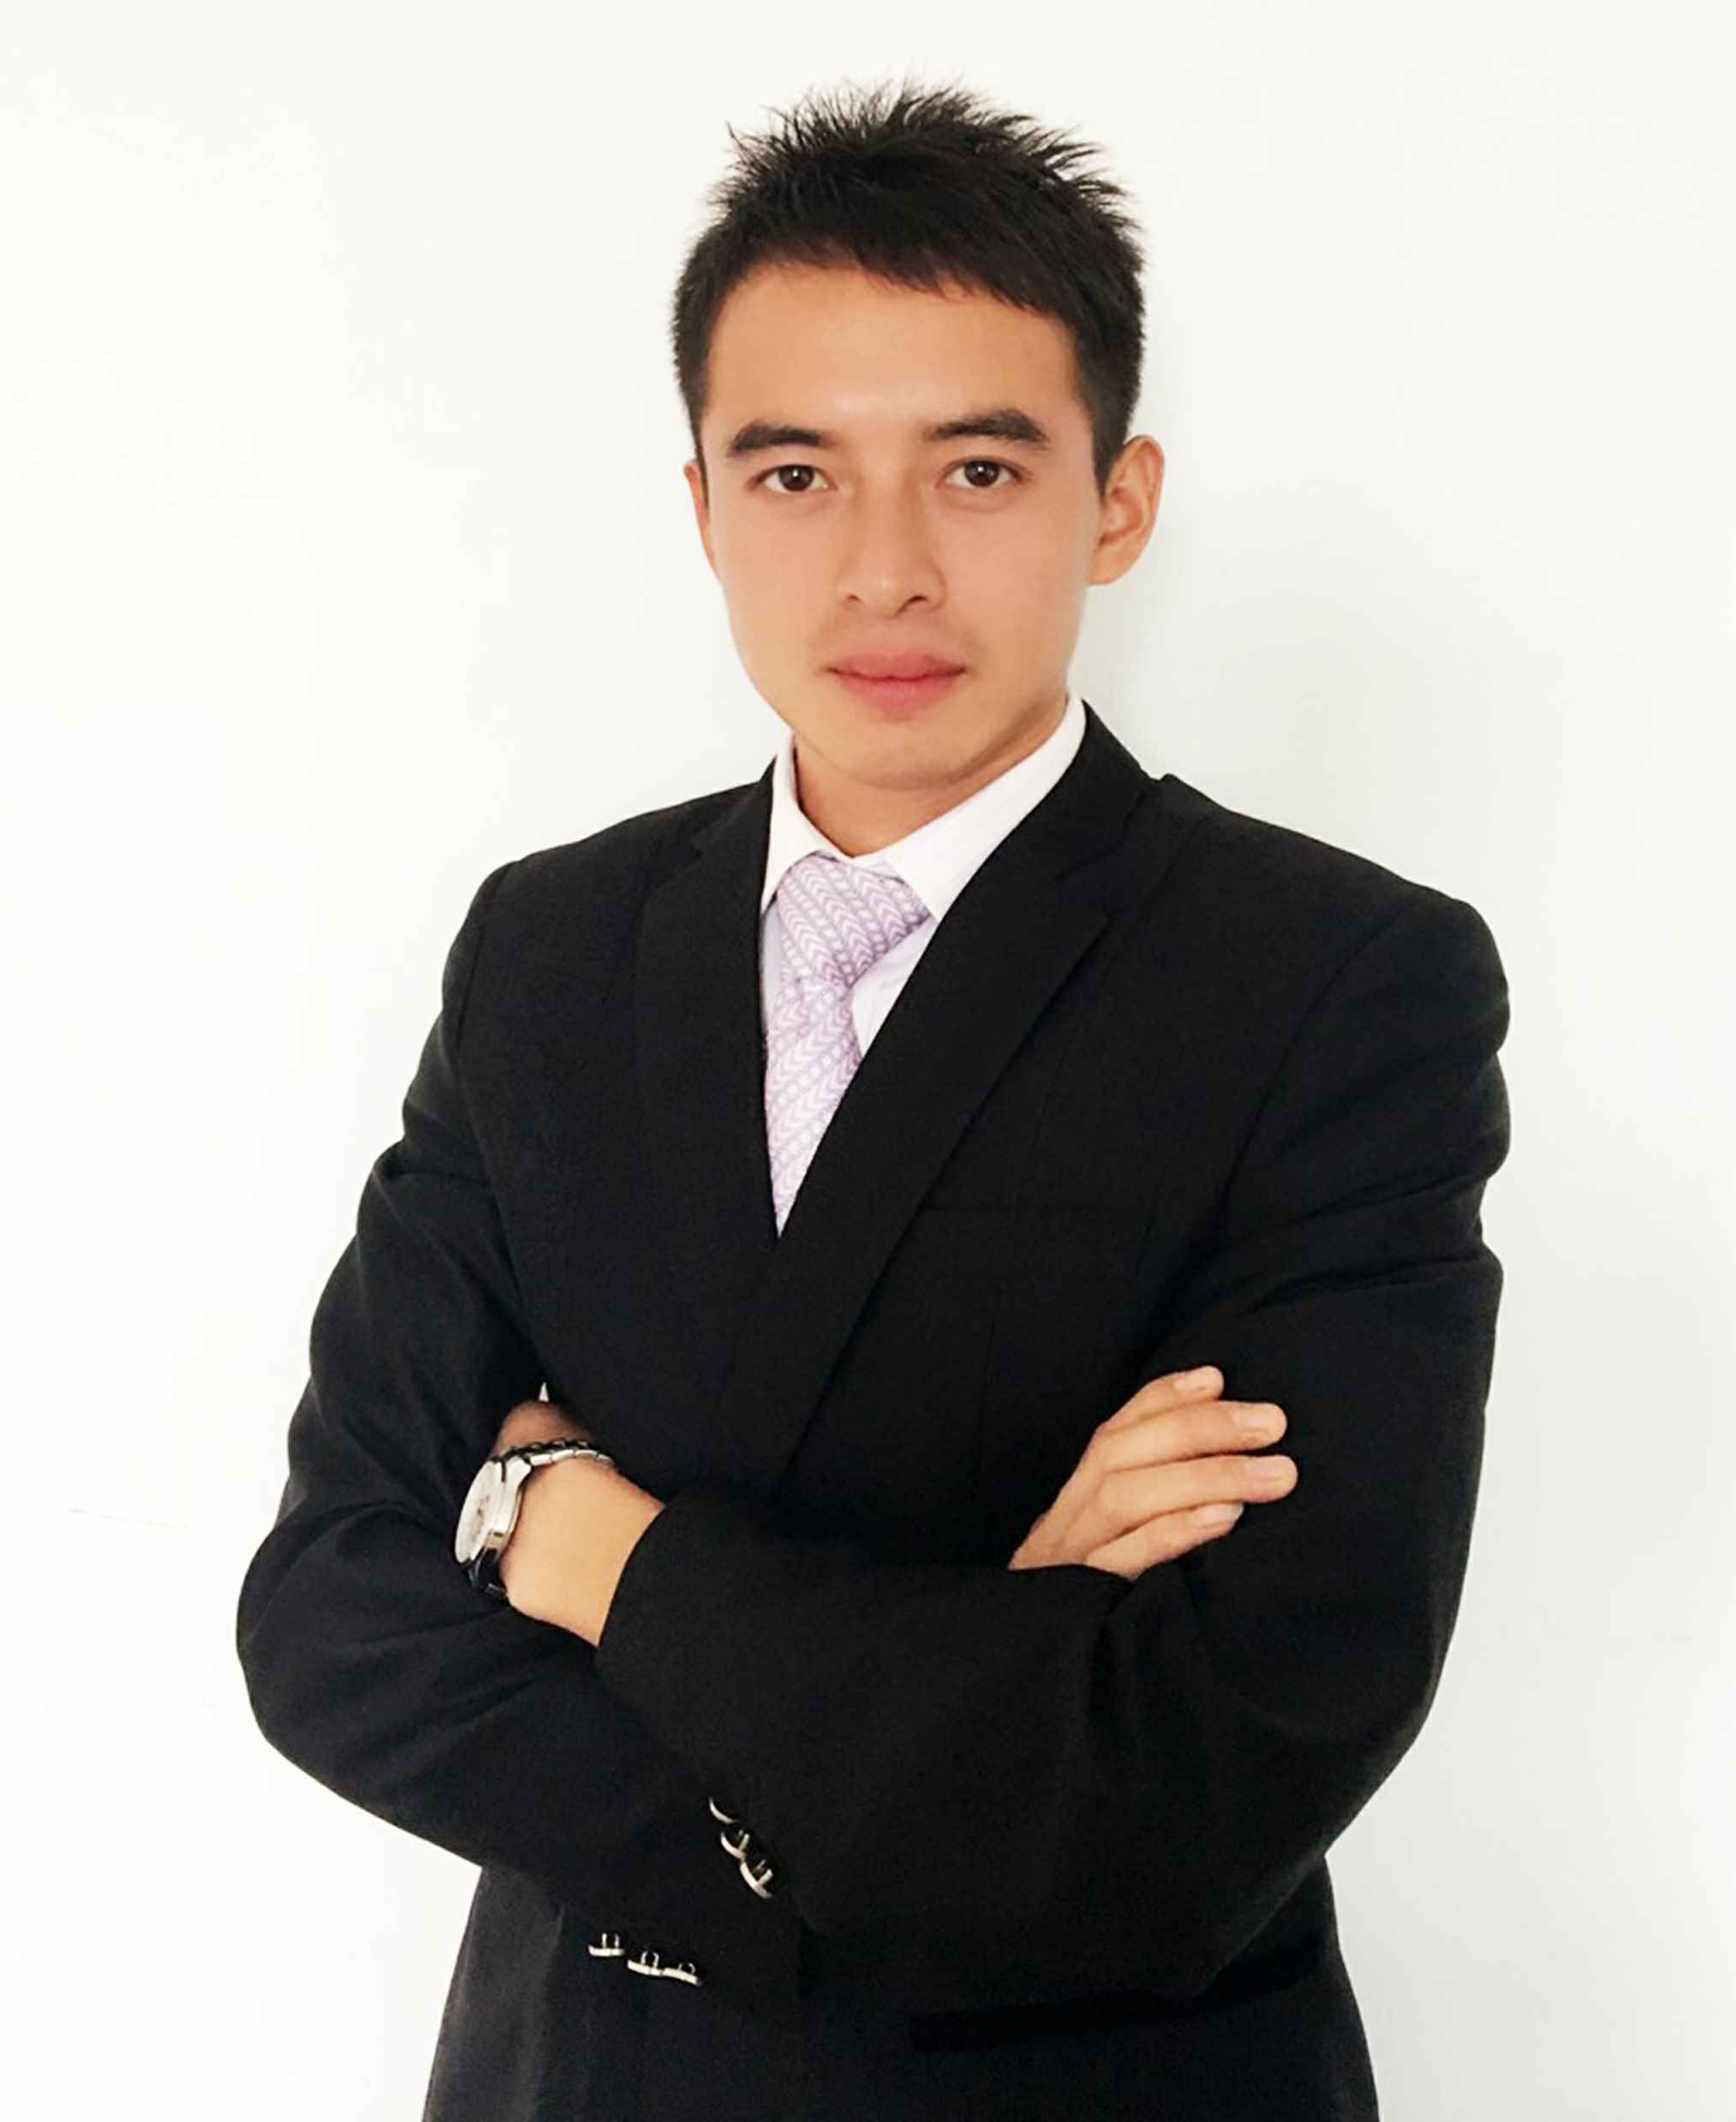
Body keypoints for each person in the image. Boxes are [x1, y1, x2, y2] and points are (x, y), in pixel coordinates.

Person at [236, 75, 1512, 2122]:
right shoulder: (550, 949)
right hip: (585, 2078)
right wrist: (980, 1662)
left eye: (978, 469)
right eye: (796, 473)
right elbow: (328, 1617)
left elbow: (1208, 1767)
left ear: (1116, 500)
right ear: (704, 509)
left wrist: (574, 1540)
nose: (884, 570)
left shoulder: (1330, 984)